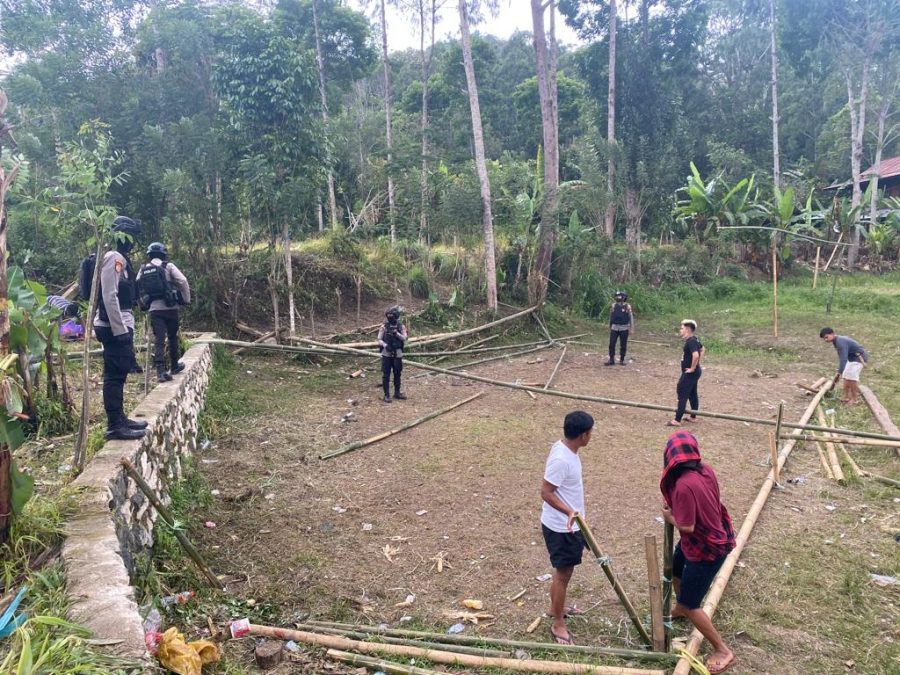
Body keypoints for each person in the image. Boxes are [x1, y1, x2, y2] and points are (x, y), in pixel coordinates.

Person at [660, 430, 736, 674]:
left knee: (693, 604)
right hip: (704, 537)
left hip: (707, 548)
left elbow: (687, 526)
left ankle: (722, 650)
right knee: (675, 567)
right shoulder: (706, 470)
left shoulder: (683, 485)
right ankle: (681, 608)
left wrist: (670, 516)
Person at [540, 410, 594, 645]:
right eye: (590, 432)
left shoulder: (567, 449)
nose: (591, 436)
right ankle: (558, 623)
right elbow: (546, 492)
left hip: (570, 524)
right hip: (562, 528)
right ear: (583, 435)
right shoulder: (562, 459)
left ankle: (556, 609)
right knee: (563, 575)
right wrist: (569, 511)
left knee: (564, 573)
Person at [93, 216, 147, 441]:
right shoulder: (113, 258)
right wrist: (120, 329)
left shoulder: (119, 259)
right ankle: (115, 424)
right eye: (131, 236)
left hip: (117, 324)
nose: (132, 242)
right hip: (112, 326)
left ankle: (120, 419)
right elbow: (109, 295)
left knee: (120, 370)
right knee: (114, 375)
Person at [137, 242, 191, 383]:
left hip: (154, 310)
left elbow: (137, 285)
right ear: (163, 254)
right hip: (171, 308)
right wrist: (185, 299)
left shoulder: (143, 269)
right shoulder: (168, 266)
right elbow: (183, 281)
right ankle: (174, 365)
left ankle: (160, 371)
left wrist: (142, 303)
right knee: (172, 337)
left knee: (159, 340)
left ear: (149, 255)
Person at [668, 320, 704, 427]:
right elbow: (702, 349)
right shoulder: (694, 339)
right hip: (694, 372)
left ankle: (677, 420)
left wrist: (693, 368)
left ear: (687, 330)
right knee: (692, 393)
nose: (680, 330)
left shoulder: (691, 341)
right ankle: (693, 416)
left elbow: (696, 355)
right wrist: (696, 364)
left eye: (682, 328)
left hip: (691, 373)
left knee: (682, 391)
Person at [819, 328, 868, 406]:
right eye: (824, 338)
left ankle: (854, 399)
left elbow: (843, 359)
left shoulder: (840, 342)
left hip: (858, 358)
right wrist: (841, 371)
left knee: (852, 378)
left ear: (832, 333)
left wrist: (839, 372)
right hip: (851, 358)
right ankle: (845, 396)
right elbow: (841, 356)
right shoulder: (836, 341)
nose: (825, 340)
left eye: (826, 337)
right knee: (845, 376)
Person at [377, 307, 408, 403]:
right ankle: (386, 395)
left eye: (392, 316)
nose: (390, 318)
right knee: (386, 374)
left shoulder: (401, 326)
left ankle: (397, 393)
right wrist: (385, 345)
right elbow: (379, 339)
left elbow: (404, 338)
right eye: (389, 316)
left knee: (397, 373)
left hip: (397, 353)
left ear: (396, 316)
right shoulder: (384, 326)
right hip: (386, 353)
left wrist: (396, 334)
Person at [605, 290, 634, 366]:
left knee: (623, 344)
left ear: (624, 298)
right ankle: (611, 359)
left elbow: (631, 317)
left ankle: (622, 359)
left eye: (620, 296)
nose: (618, 298)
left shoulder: (627, 306)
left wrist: (632, 328)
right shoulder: (614, 305)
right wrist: (609, 325)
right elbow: (611, 316)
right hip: (614, 327)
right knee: (611, 344)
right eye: (617, 296)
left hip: (624, 328)